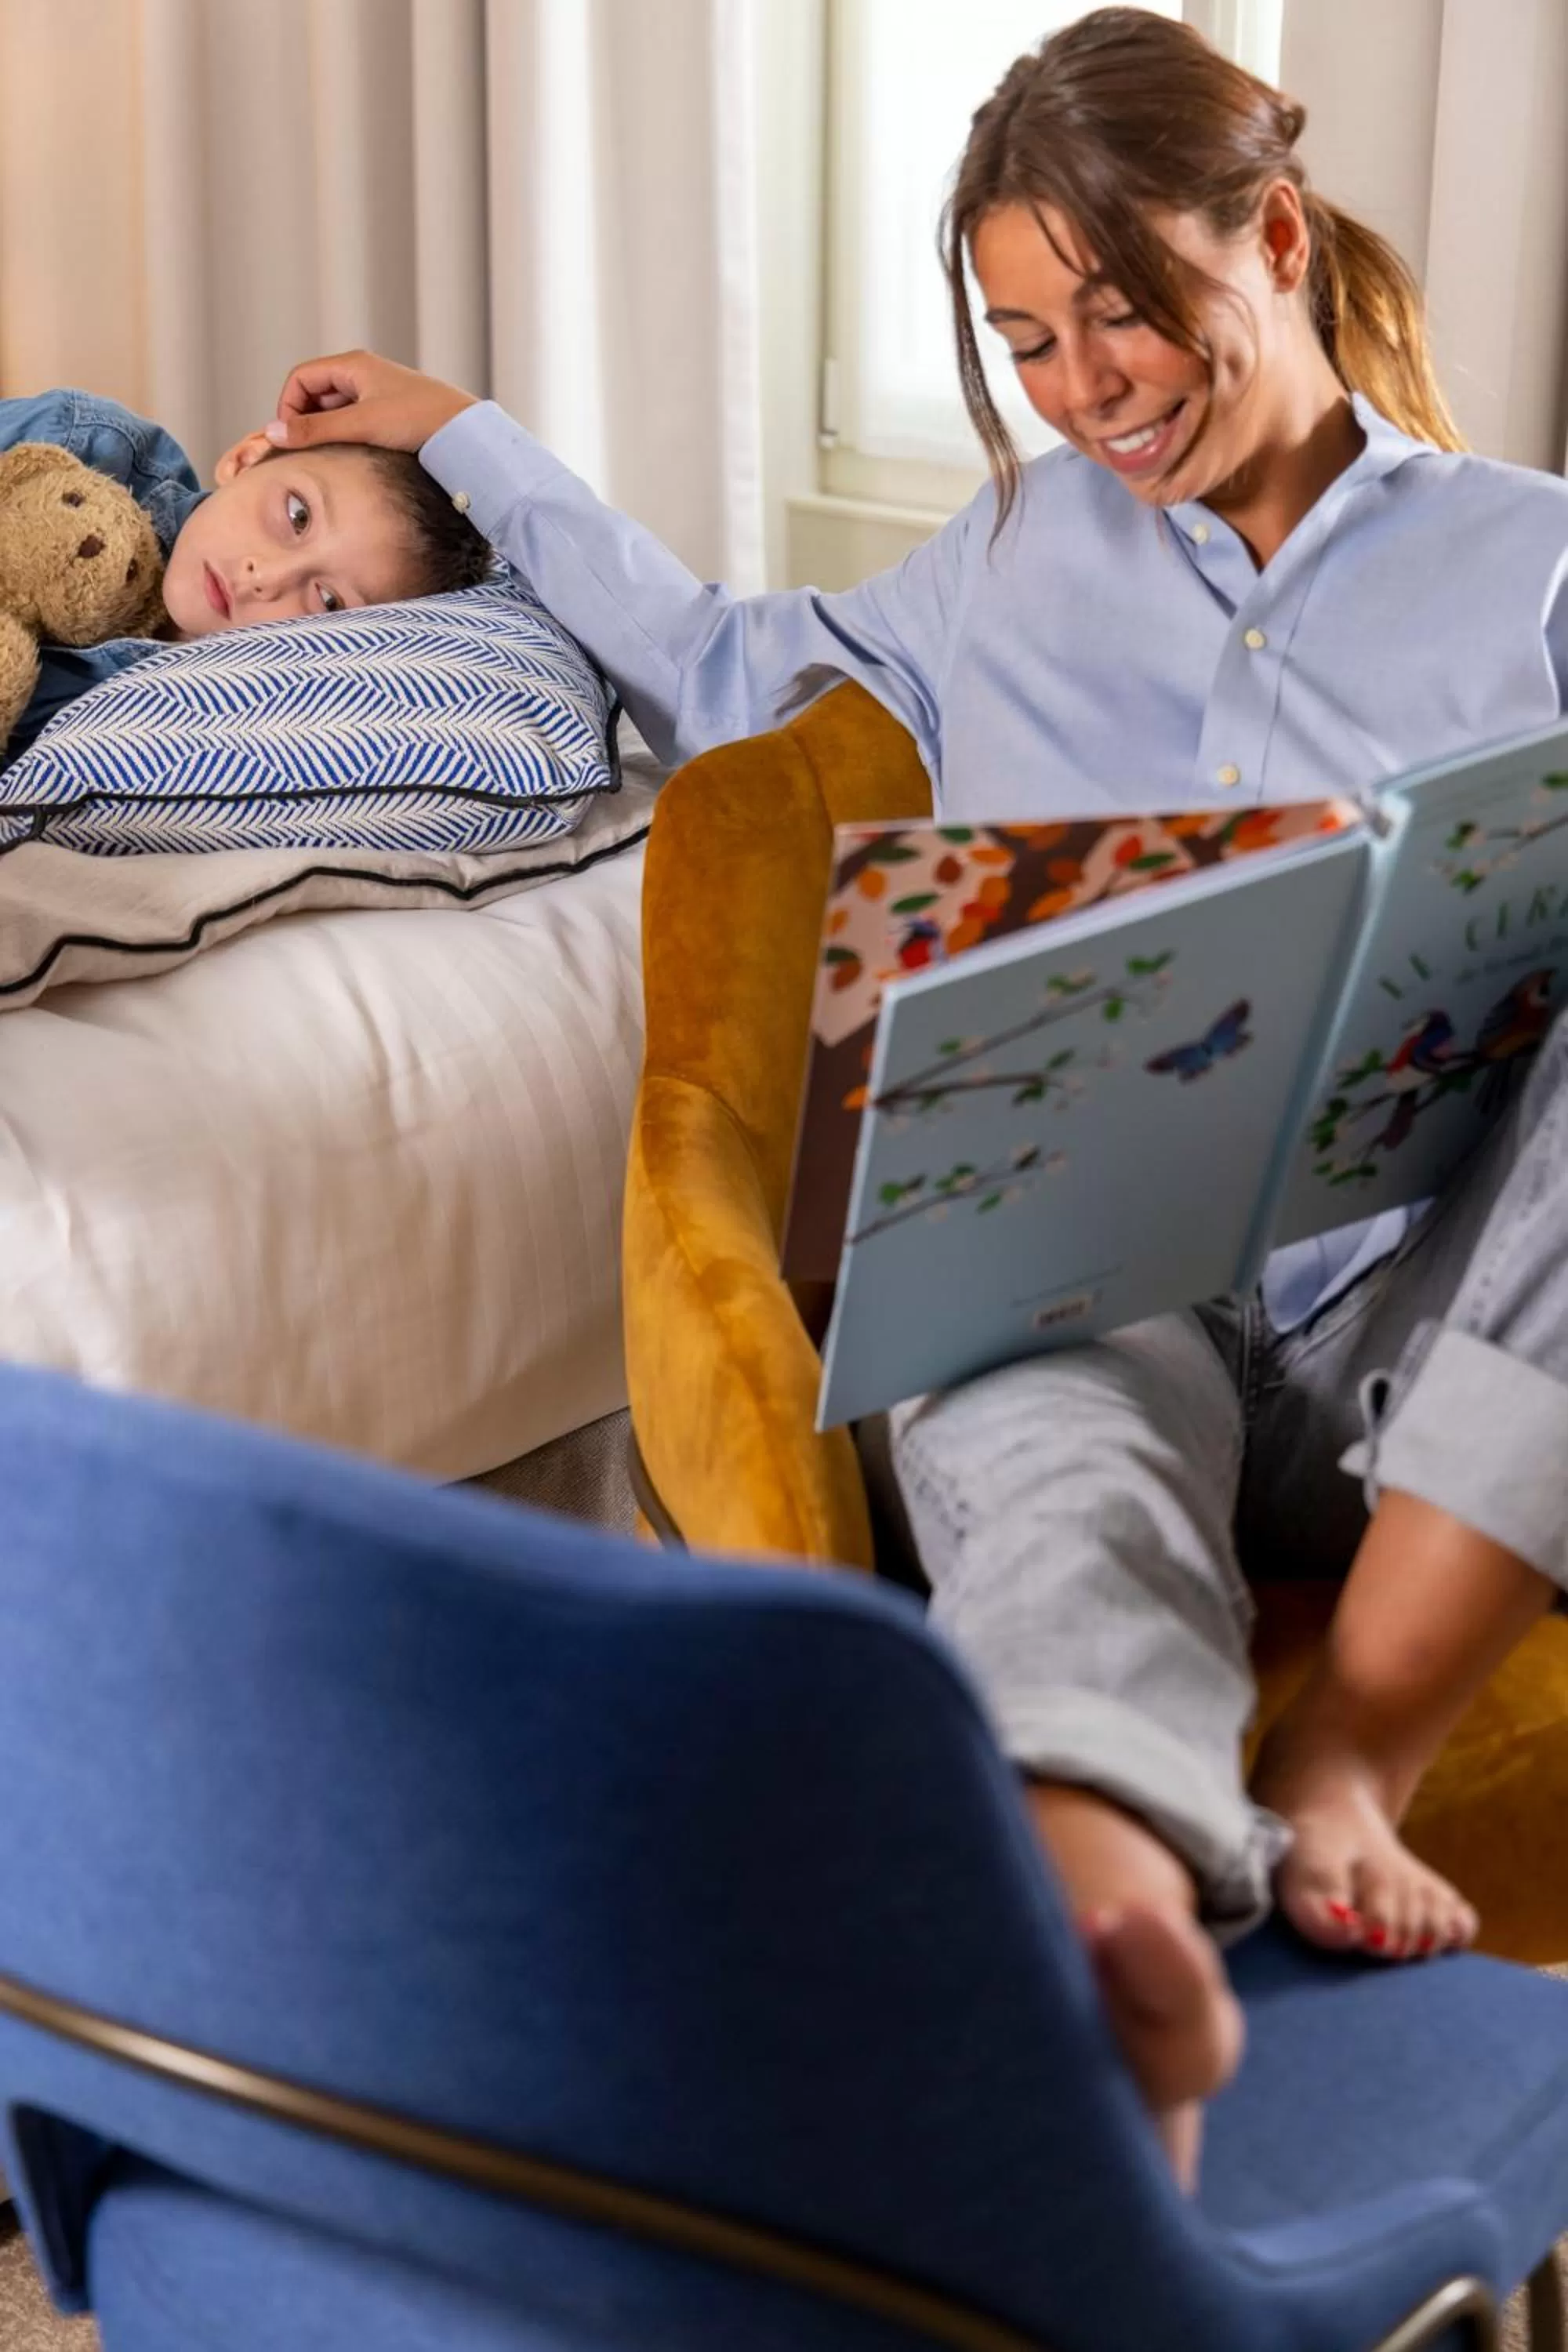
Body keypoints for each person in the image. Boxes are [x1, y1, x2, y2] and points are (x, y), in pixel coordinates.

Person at [256, 7, 1568, 2188]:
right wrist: (464, 439)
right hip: (1104, 1284)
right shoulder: (1015, 556)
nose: (1083, 389)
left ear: (1275, 236)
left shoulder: (1531, 566)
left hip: (1419, 1352)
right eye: (1024, 337)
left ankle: (1349, 1756)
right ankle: (1109, 1936)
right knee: (1030, 1385)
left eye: (1122, 313)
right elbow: (716, 665)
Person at [0, 389, 492, 759]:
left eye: (328, 602)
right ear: (249, 458)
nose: (266, 577)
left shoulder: (210, 727)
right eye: (298, 515)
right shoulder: (87, 444)